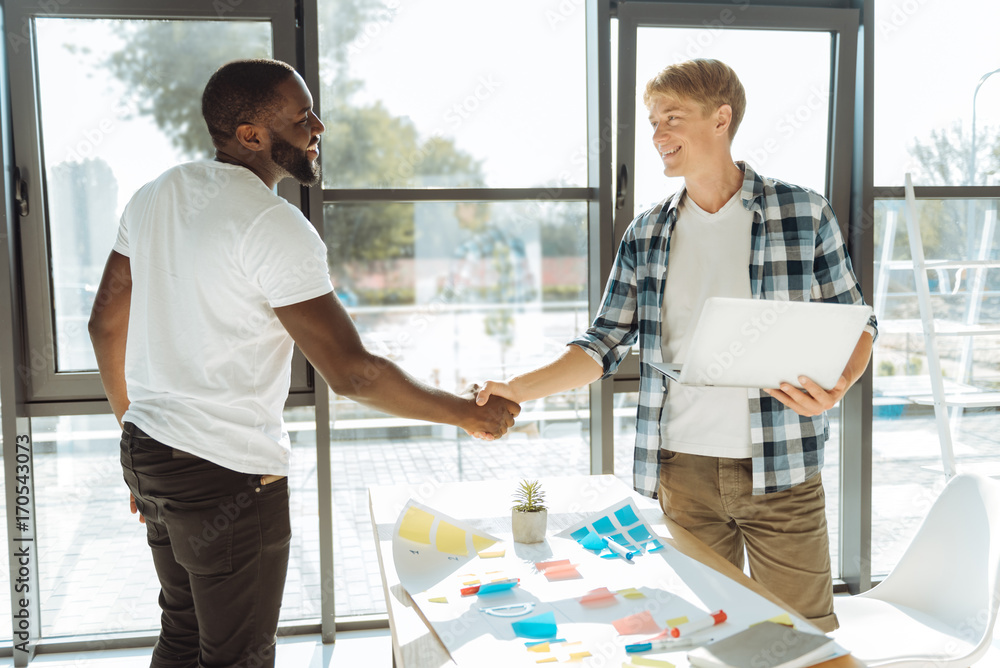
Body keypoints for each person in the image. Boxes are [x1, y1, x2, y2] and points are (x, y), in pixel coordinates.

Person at [88, 58, 519, 668]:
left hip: (150, 456)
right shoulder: (272, 225)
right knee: (236, 656)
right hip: (225, 475)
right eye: (301, 117)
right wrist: (467, 415)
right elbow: (352, 374)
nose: (318, 126)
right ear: (250, 135)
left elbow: (104, 321)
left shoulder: (156, 194)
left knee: (183, 636)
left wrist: (135, 430)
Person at [475, 59, 876, 632]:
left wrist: (838, 385)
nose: (658, 135)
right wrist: (515, 389)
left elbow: (858, 322)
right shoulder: (646, 233)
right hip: (682, 474)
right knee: (699, 635)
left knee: (806, 639)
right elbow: (603, 344)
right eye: (653, 121)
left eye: (672, 118)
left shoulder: (803, 212)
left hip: (784, 473)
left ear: (721, 118)